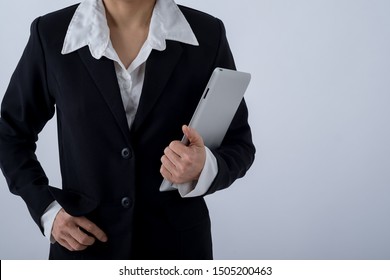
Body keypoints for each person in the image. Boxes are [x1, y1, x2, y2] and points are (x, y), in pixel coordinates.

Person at [0, 0, 255, 260]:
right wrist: (47, 210)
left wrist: (204, 167)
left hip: (178, 250)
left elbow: (239, 144)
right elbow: (9, 135)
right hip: (85, 251)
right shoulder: (51, 33)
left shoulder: (207, 34)